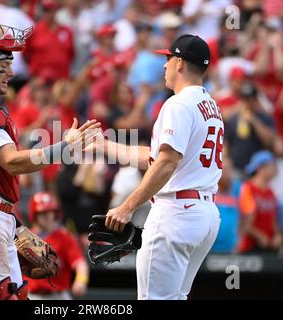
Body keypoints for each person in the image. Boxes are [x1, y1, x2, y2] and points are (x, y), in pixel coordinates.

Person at [0, 23, 99, 300]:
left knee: (17, 295)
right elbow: (13, 163)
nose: (10, 73)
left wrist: (12, 223)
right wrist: (65, 146)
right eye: (2, 66)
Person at [91, 35, 223, 300]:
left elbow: (166, 162)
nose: (164, 65)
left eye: (168, 58)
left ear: (181, 63)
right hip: (204, 214)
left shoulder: (178, 103)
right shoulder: (210, 105)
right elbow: (156, 157)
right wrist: (102, 145)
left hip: (176, 213)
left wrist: (127, 207)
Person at [26, 192, 89, 300]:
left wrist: (81, 280)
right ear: (35, 215)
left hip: (58, 295)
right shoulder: (25, 238)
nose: (48, 216)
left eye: (51, 212)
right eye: (43, 213)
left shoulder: (64, 237)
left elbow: (80, 264)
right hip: (32, 295)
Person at [238, 150, 283, 253]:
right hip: (250, 247)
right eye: (271, 165)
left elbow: (272, 219)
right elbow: (245, 222)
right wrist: (259, 235)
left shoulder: (270, 192)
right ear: (260, 168)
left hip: (268, 247)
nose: (274, 168)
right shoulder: (248, 188)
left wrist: (277, 235)